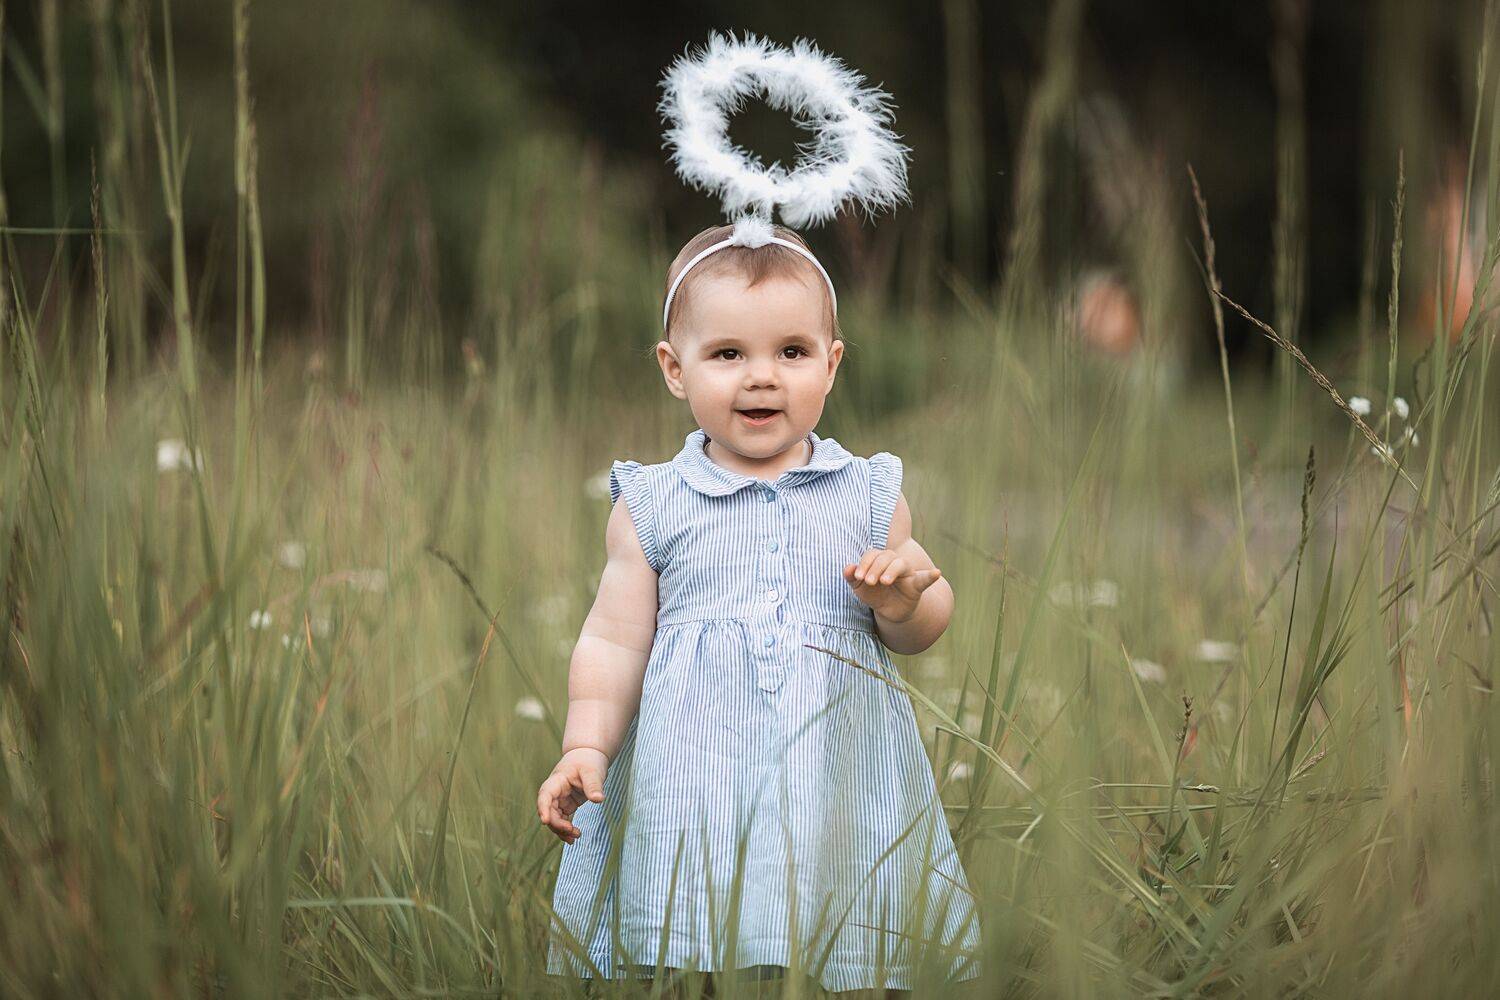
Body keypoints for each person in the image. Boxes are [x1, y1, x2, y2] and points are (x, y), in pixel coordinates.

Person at [536, 219, 983, 996]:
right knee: (698, 942)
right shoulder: (654, 502)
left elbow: (917, 624)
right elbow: (612, 641)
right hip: (696, 778)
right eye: (728, 354)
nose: (762, 377)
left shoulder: (868, 494)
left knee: (844, 935)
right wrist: (586, 745)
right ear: (676, 369)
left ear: (832, 364)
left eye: (792, 351)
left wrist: (907, 597)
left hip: (838, 776)